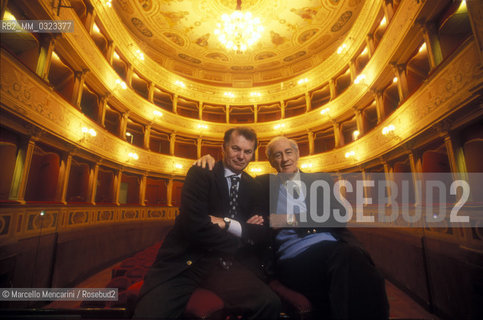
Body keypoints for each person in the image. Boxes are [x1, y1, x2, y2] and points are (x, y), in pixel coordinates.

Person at [195, 136, 389, 319]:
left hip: (335, 250)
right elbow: (233, 183)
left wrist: (288, 219)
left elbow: (339, 215)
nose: (285, 159)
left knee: (364, 271)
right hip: (292, 259)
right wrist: (213, 164)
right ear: (271, 161)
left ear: (297, 155)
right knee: (354, 264)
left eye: (288, 152)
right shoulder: (261, 184)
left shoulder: (319, 181)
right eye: (277, 155)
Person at [133, 127, 281, 319]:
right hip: (186, 263)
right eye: (236, 149)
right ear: (223, 148)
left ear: (253, 154)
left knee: (269, 304)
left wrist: (225, 223)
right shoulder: (201, 173)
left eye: (247, 151)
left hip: (224, 268)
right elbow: (195, 227)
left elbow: (260, 233)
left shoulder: (254, 187)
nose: (241, 156)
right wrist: (242, 237)